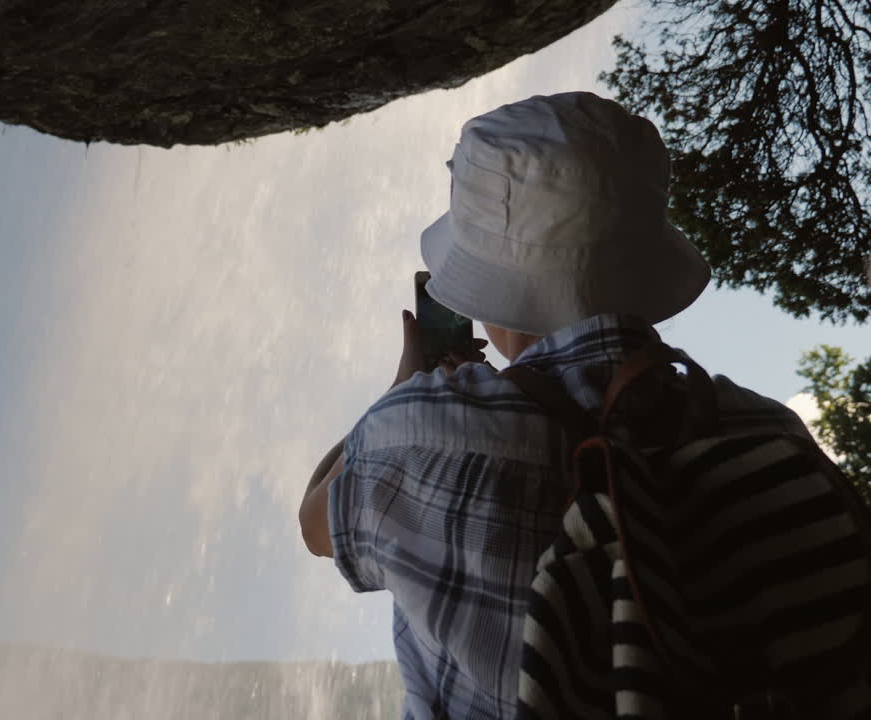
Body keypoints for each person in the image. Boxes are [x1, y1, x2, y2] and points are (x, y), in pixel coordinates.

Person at [297, 92, 816, 720]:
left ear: (489, 293)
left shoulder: (416, 435)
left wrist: (403, 388)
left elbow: (316, 525)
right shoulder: (767, 432)